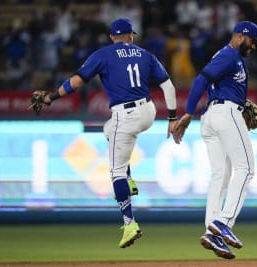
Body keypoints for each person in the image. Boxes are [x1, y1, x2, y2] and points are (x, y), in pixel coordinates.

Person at [36, 18, 178, 248]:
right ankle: (129, 181)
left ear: (112, 37)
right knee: (108, 129)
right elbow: (168, 86)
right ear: (131, 35)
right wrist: (172, 118)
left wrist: (51, 97)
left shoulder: (103, 54)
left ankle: (130, 223)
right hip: (148, 111)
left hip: (126, 115)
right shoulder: (145, 54)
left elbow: (76, 82)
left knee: (115, 172)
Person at [174, 21, 257, 259]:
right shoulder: (230, 55)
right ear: (240, 36)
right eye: (253, 41)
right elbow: (200, 80)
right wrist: (187, 112)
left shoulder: (231, 58)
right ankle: (224, 222)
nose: (254, 46)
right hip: (225, 113)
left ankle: (211, 232)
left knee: (221, 175)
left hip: (213, 117)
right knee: (246, 170)